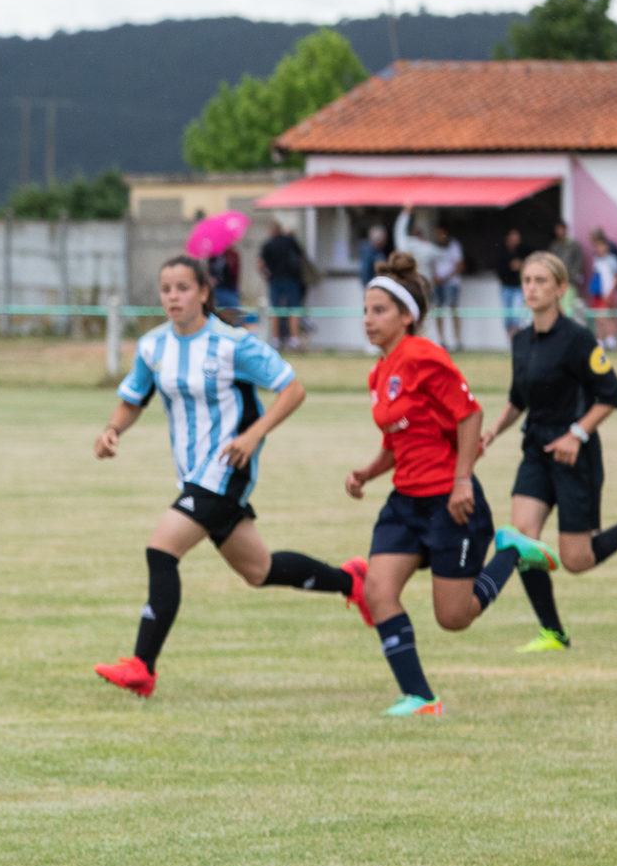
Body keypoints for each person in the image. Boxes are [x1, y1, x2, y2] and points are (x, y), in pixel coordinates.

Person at [88, 257, 360, 699]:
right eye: (166, 289)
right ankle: (353, 582)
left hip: (227, 469)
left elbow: (292, 389)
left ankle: (142, 667)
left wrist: (252, 436)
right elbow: (133, 398)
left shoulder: (232, 344)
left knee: (161, 549)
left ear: (203, 292)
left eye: (182, 287)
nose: (173, 296)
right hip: (192, 475)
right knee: (259, 569)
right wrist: (112, 430)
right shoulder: (153, 346)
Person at [337, 254, 549, 716]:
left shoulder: (423, 355)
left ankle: (512, 549)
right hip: (404, 502)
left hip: (449, 503)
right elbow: (397, 441)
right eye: (366, 311)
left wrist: (461, 482)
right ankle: (420, 697)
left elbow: (469, 414)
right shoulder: (380, 371)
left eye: (379, 311)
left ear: (407, 316)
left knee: (454, 618)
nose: (368, 320)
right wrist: (367, 473)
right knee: (378, 590)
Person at [478, 251, 617, 652]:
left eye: (541, 281)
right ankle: (553, 632)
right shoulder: (520, 340)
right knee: (522, 540)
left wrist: (576, 433)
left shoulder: (578, 340)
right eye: (526, 281)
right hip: (536, 450)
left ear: (559, 289)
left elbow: (612, 395)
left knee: (577, 560)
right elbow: (518, 398)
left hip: (575, 456)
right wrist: (491, 433)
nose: (532, 288)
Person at [259, 220, 308, 350]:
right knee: (294, 309)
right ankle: (294, 339)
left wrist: (266, 275)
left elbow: (260, 264)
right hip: (291, 279)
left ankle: (275, 340)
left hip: (275, 280)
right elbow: (301, 257)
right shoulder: (290, 241)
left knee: (275, 310)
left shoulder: (268, 244)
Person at [586, 230, 617, 350]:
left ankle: (611, 342)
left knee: (608, 318)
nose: (599, 248)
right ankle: (601, 341)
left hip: (610, 294)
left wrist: (610, 293)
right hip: (599, 294)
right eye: (597, 246)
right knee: (599, 319)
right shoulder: (597, 260)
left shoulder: (612, 260)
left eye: (602, 246)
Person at [430, 223, 467, 352]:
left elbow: (460, 266)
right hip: (438, 283)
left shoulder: (454, 246)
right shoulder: (433, 246)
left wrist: (444, 278)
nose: (438, 236)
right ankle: (442, 340)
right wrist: (435, 277)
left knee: (453, 309)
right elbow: (432, 263)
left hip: (451, 283)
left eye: (440, 233)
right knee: (438, 310)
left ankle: (457, 341)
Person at [549, 220, 589, 319]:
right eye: (558, 229)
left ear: (566, 229)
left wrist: (571, 277)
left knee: (568, 310)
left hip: (569, 283)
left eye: (562, 229)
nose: (560, 231)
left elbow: (578, 263)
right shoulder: (554, 246)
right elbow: (550, 263)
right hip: (556, 283)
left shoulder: (574, 245)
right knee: (556, 309)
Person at [496, 227, 529, 334]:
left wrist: (521, 265)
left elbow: (528, 264)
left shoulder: (523, 250)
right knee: (508, 317)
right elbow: (500, 268)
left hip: (518, 287)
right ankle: (510, 342)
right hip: (505, 287)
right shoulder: (501, 251)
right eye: (514, 237)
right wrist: (511, 266)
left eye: (518, 237)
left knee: (517, 317)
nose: (517, 240)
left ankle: (516, 340)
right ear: (508, 238)